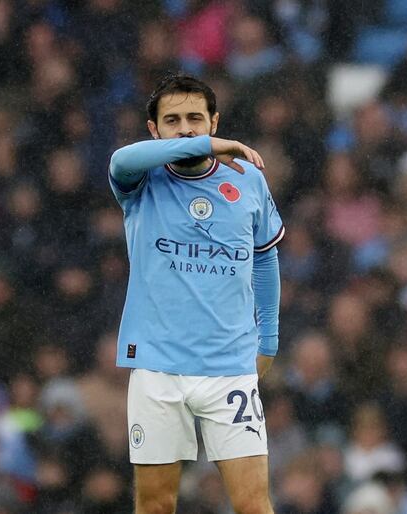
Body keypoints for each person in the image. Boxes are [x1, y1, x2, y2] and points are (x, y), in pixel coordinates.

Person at [108, 73, 284, 514]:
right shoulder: (140, 179)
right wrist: (209, 146)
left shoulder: (248, 182)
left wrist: (270, 340)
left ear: (214, 120)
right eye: (172, 120)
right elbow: (120, 158)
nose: (185, 128)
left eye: (194, 118)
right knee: (155, 505)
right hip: (157, 368)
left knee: (253, 505)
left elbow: (264, 259)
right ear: (155, 130)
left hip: (229, 367)